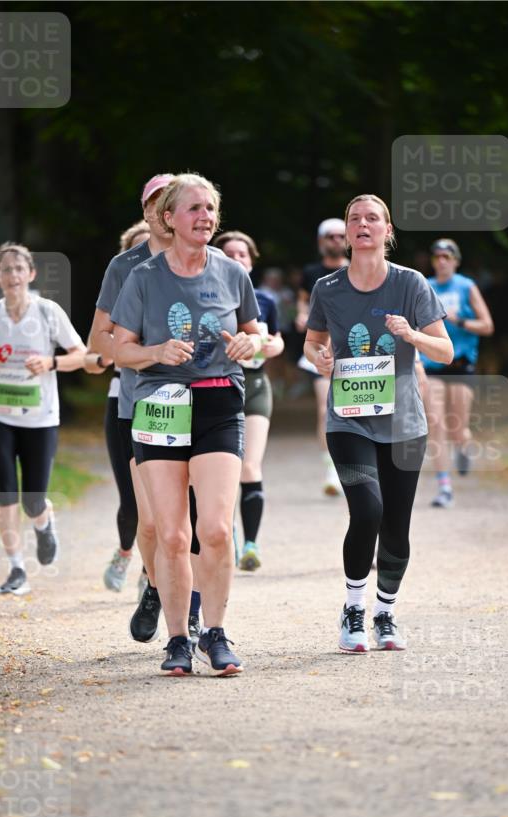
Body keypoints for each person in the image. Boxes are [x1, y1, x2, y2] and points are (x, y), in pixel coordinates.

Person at [112, 173, 261, 677]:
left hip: (219, 401)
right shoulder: (143, 277)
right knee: (172, 536)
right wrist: (153, 352)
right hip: (159, 405)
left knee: (216, 529)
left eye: (211, 209)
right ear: (168, 218)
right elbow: (114, 345)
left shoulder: (231, 272)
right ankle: (178, 640)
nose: (205, 218)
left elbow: (257, 333)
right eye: (194, 209)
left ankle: (215, 633)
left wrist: (251, 344)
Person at [304, 195, 452, 652]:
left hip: (405, 423)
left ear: (387, 232)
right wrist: (321, 357)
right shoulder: (328, 289)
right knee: (367, 510)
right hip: (349, 421)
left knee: (397, 525)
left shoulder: (411, 284)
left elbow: (445, 351)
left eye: (373, 219)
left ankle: (385, 613)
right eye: (355, 219)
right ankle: (353, 607)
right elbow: (312, 343)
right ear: (346, 234)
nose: (363, 225)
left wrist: (411, 334)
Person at [0, 242, 86, 595]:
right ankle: (16, 569)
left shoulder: (47, 311)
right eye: (5, 270)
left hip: (40, 418)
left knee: (32, 500)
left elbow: (81, 355)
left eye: (18, 269)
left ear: (31, 274)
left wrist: (50, 363)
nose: (12, 276)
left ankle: (43, 521)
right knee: (6, 495)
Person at [86, 174, 189, 646]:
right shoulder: (123, 266)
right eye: (155, 201)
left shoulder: (206, 262)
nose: (164, 208)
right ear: (148, 210)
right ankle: (153, 584)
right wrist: (148, 351)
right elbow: (98, 343)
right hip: (141, 403)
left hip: (202, 401)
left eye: (173, 199)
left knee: (196, 519)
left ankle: (194, 612)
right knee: (150, 521)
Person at [213, 230, 285, 572]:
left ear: (252, 262)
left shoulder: (266, 300)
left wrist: (273, 347)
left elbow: (280, 341)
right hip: (220, 387)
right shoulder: (208, 297)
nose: (237, 259)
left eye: (243, 254)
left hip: (255, 386)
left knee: (249, 466)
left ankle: (251, 545)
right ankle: (227, 533)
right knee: (219, 473)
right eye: (229, 254)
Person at [421, 238, 495, 508]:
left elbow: (487, 325)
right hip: (432, 366)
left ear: (456, 261)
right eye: (437, 256)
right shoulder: (425, 286)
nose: (442, 261)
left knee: (457, 428)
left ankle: (463, 447)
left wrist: (458, 320)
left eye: (447, 256)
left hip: (461, 364)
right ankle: (444, 487)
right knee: (435, 423)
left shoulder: (466, 286)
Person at [296, 219, 350, 496]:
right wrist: (302, 315)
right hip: (321, 348)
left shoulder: (357, 270)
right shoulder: (311, 272)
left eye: (341, 236)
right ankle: (331, 467)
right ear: (321, 241)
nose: (336, 240)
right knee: (325, 408)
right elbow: (303, 300)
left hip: (353, 350)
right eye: (331, 236)